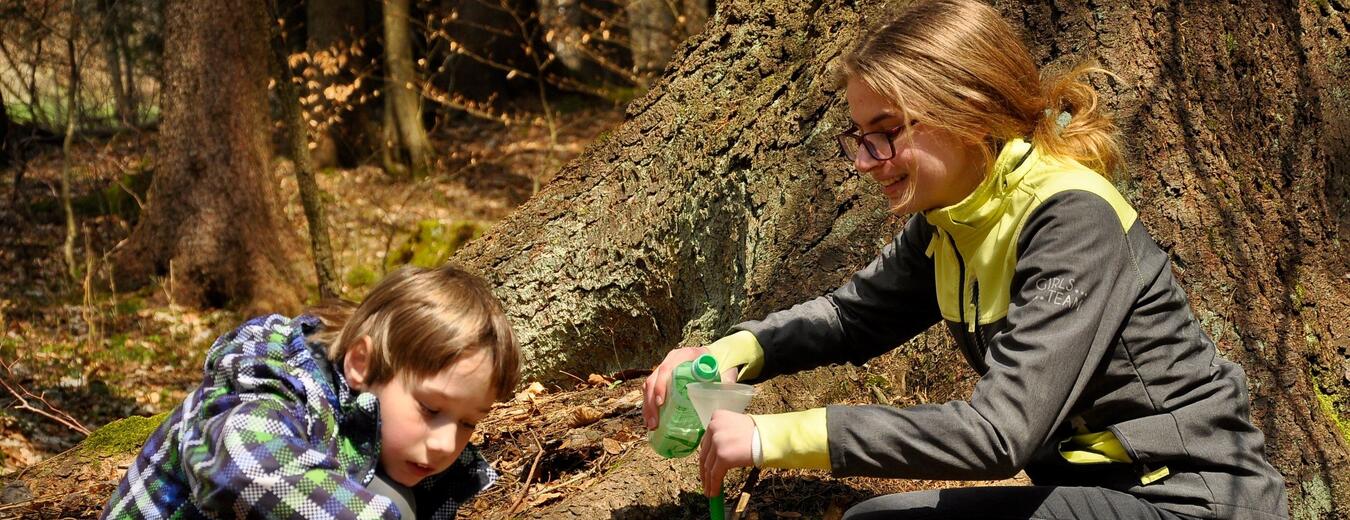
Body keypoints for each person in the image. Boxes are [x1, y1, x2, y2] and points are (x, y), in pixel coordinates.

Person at [642, 1, 1288, 518]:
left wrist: (767, 439)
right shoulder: (951, 220)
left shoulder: (1071, 219)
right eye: (858, 138)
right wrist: (728, 353)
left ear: (967, 111)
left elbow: (997, 435)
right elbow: (849, 317)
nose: (866, 163)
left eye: (886, 132)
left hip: (1190, 501)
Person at [103, 264, 521, 519]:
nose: (448, 443)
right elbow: (240, 467)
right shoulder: (280, 384)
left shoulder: (393, 458)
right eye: (431, 409)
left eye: (468, 422)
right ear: (362, 364)